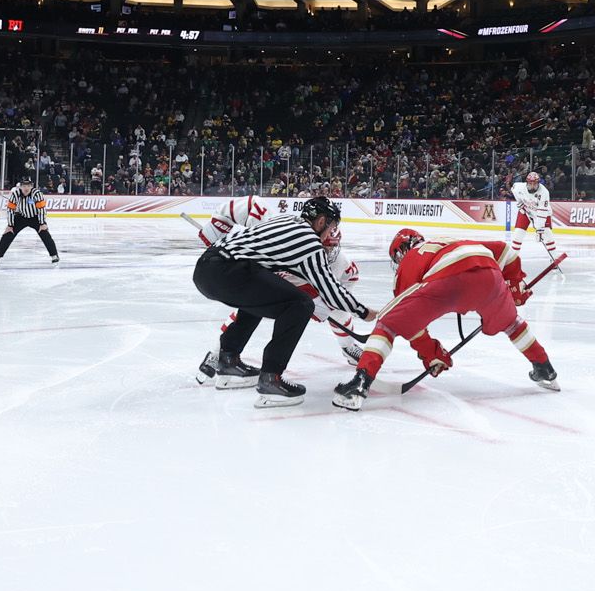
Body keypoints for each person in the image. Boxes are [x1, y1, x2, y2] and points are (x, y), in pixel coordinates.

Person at [333, 228, 555, 410]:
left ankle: (359, 383)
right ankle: (544, 368)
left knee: (387, 323)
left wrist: (431, 354)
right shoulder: (449, 240)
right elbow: (506, 251)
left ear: (402, 250)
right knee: (512, 323)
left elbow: (410, 325)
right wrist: (515, 284)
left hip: (448, 279)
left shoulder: (409, 262)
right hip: (489, 274)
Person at [191, 195, 371, 406]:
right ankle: (271, 378)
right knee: (301, 305)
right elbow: (331, 292)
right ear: (321, 222)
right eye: (329, 228)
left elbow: (336, 300)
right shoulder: (309, 243)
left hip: (209, 268)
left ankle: (227, 360)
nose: (327, 249)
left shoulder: (288, 223)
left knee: (261, 300)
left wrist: (346, 340)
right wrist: (366, 312)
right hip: (227, 271)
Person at [0, 180, 59, 264]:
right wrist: (10, 225)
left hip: (35, 217)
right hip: (21, 217)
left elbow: (41, 209)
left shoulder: (37, 194)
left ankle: (54, 255)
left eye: (28, 186)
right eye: (24, 186)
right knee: (8, 234)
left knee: (45, 233)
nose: (26, 188)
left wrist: (42, 223)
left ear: (31, 186)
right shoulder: (15, 194)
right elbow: (10, 210)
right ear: (20, 187)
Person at [509, 169, 560, 261]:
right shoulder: (519, 187)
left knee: (548, 235)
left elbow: (542, 211)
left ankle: (554, 258)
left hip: (543, 214)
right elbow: (513, 190)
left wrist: (540, 230)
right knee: (517, 235)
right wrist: (520, 204)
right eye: (530, 183)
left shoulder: (544, 192)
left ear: (538, 183)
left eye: (535, 184)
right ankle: (512, 260)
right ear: (527, 182)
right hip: (526, 212)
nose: (532, 186)